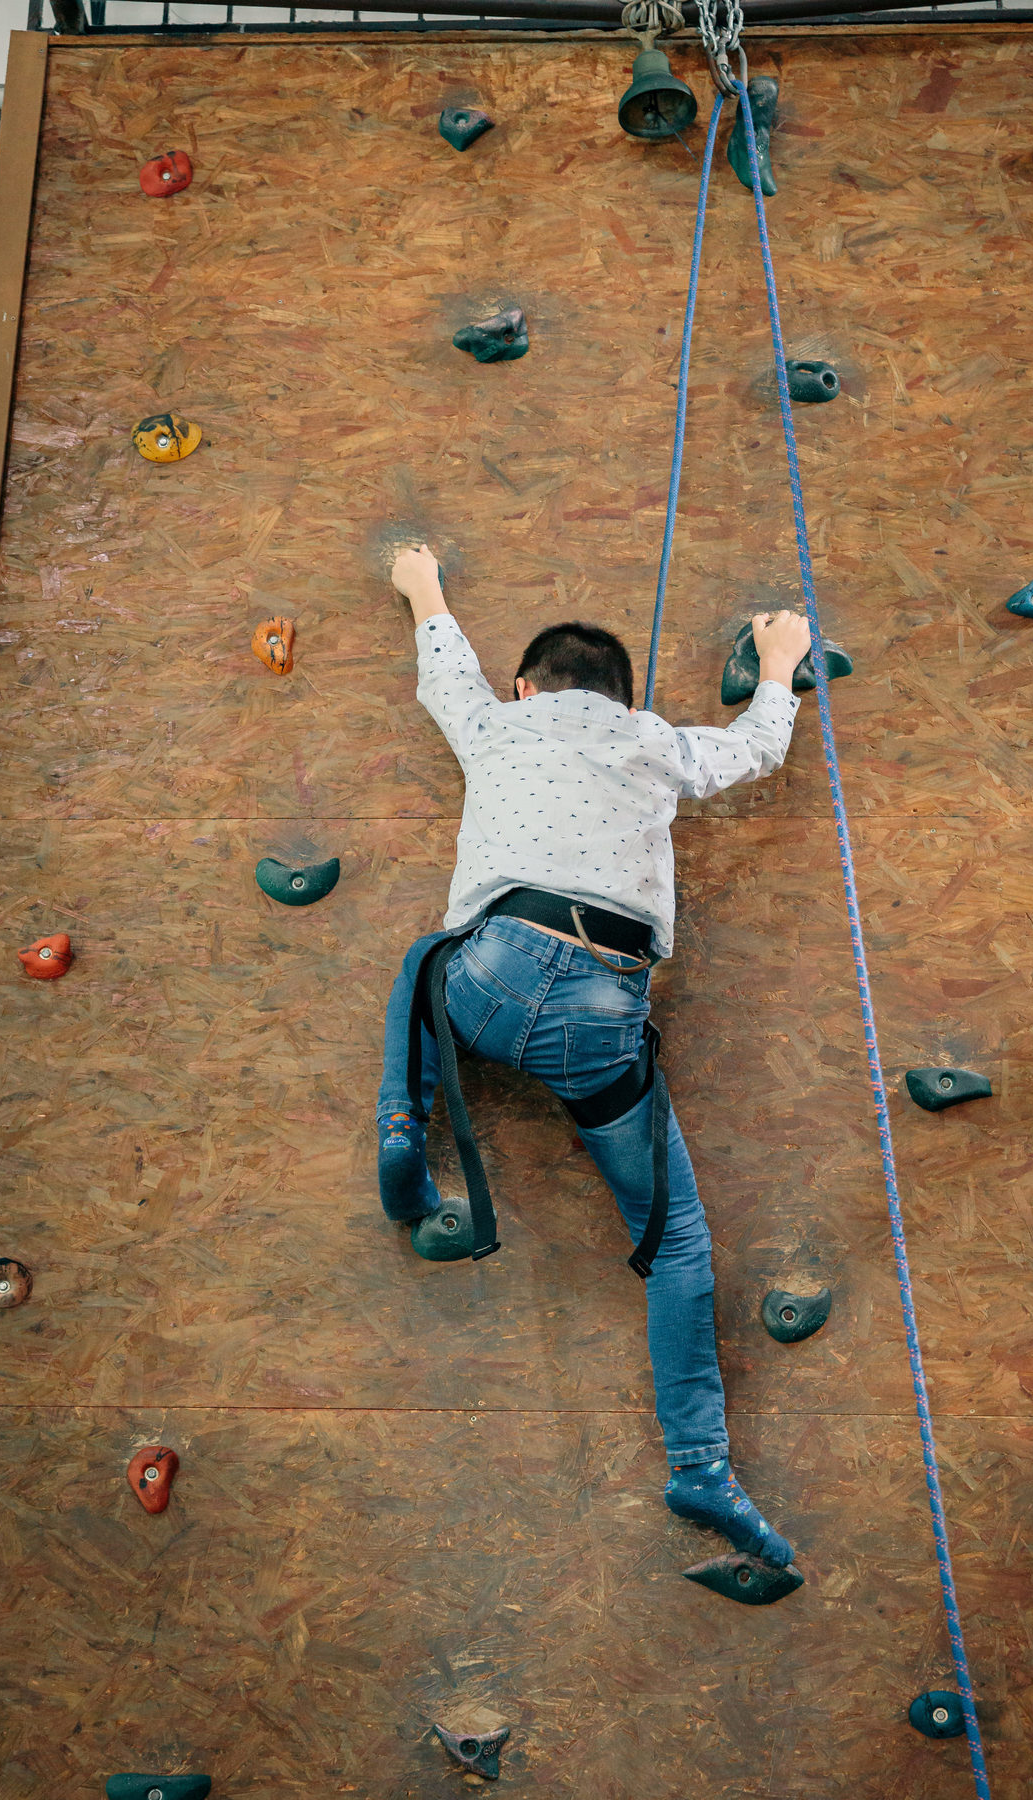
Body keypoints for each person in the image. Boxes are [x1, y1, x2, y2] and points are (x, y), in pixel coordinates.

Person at [377, 543, 811, 1572]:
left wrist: (423, 584)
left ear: (530, 688)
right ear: (622, 700)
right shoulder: (654, 741)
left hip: (484, 979)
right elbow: (756, 750)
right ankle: (702, 1465)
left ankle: (406, 1123)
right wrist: (782, 661)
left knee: (423, 962)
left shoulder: (498, 723)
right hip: (600, 1016)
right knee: (678, 1242)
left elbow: (448, 671)